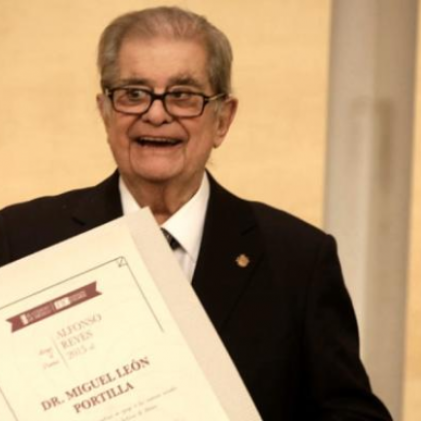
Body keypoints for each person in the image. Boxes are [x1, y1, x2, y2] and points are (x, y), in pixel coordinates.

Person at [0, 6, 392, 420]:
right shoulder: (22, 240)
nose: (156, 113)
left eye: (183, 96)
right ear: (105, 111)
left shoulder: (297, 260)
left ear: (223, 118)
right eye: (134, 93)